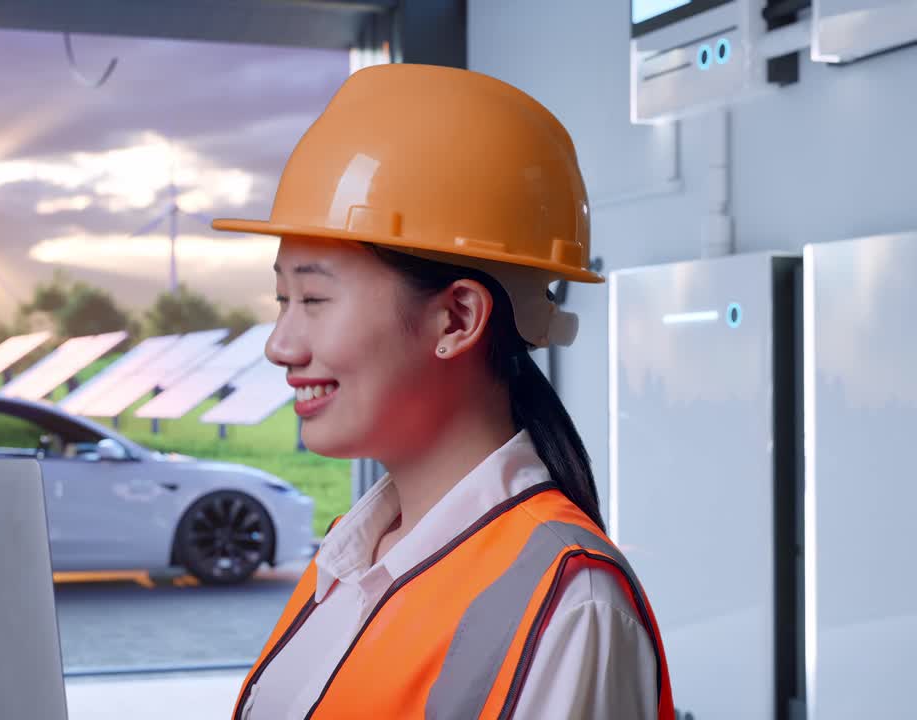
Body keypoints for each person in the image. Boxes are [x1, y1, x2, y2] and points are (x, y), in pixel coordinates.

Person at [212, 64, 674, 720]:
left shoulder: (572, 603)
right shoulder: (352, 554)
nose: (279, 345)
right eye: (283, 298)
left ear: (456, 318)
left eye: (314, 298)